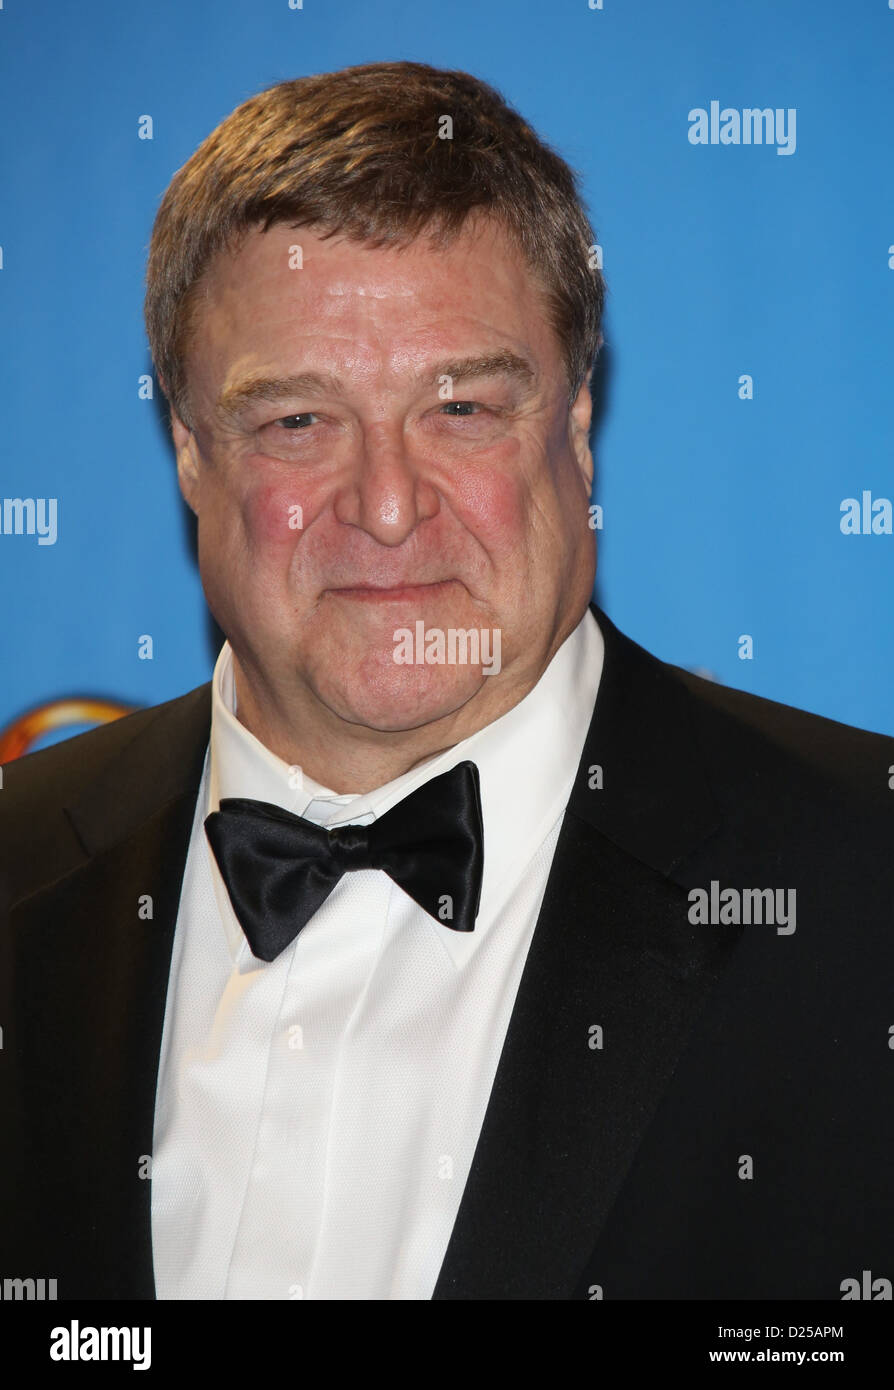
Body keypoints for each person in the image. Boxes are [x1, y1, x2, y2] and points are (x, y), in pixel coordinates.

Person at [1, 60, 892, 1303]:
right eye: (297, 421)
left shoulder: (865, 883)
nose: (385, 505)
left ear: (577, 428)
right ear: (192, 456)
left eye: (462, 407)